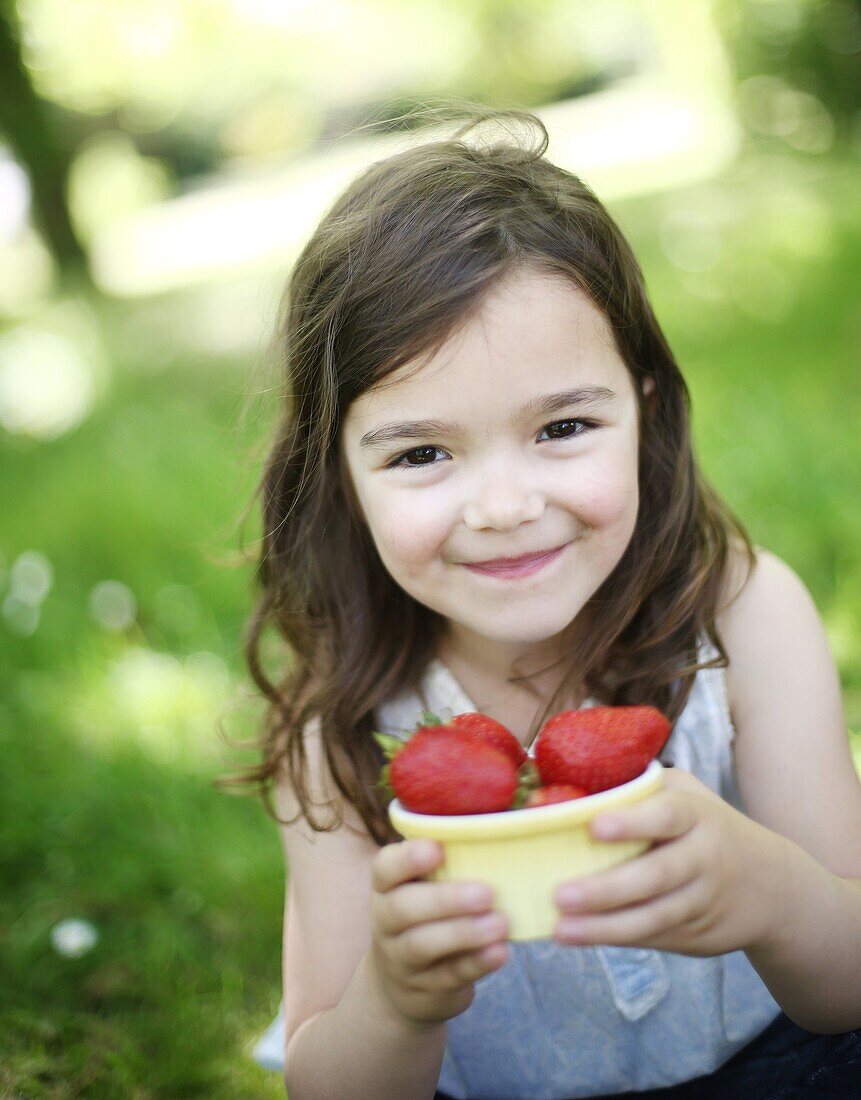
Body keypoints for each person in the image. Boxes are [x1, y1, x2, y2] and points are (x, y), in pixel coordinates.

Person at [238, 106, 861, 1098]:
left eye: (563, 426)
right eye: (422, 452)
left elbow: (849, 988)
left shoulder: (744, 617)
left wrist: (774, 892)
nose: (505, 507)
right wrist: (395, 1004)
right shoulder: (344, 731)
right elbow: (331, 1080)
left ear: (643, 409)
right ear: (339, 475)